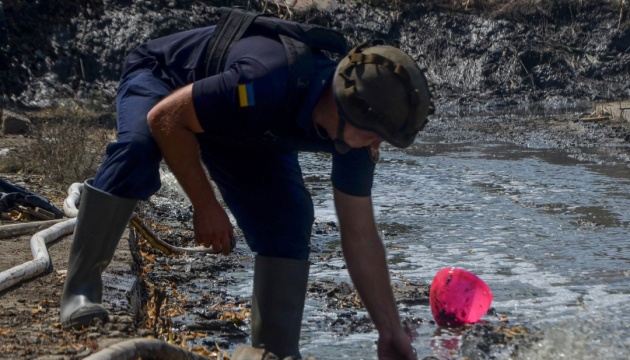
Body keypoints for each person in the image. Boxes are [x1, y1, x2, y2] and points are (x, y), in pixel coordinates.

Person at [59, 7, 433, 360]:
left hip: (244, 126)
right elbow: (166, 120)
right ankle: (80, 289)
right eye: (374, 136)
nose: (375, 145)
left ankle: (274, 351)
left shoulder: (354, 137)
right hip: (167, 82)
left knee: (289, 220)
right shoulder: (266, 77)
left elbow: (361, 236)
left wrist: (390, 331)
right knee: (138, 150)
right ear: (345, 107)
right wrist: (205, 205)